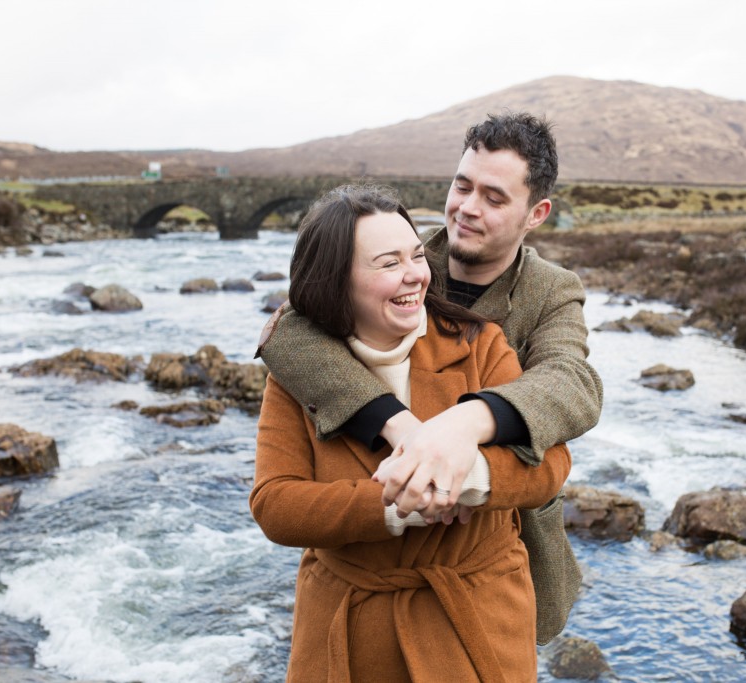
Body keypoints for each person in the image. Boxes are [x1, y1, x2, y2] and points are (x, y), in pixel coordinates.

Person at [257, 112, 602, 643]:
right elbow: (287, 332)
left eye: (494, 197)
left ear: (537, 213)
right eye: (462, 186)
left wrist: (464, 425)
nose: (467, 207)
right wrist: (397, 424)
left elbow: (571, 382)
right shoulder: (405, 259)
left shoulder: (551, 291)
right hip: (372, 564)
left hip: (499, 551)